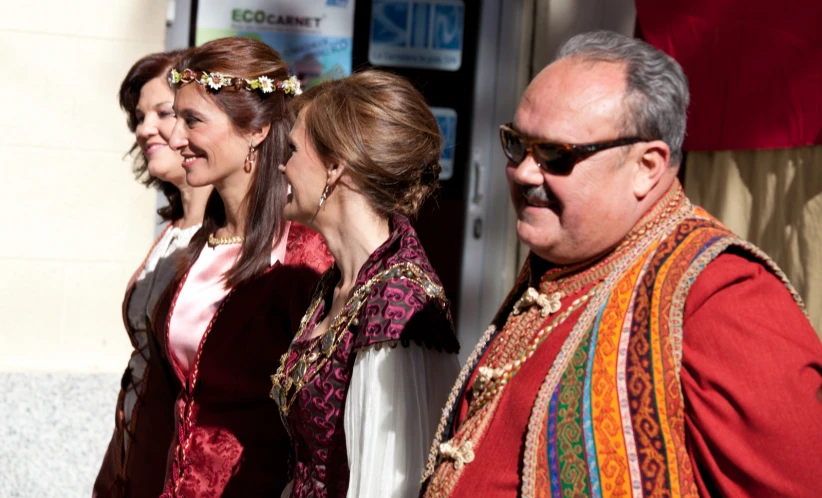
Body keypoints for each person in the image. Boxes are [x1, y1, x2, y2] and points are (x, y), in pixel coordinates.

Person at [422, 31, 822, 498]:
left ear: (648, 166)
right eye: (516, 143)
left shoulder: (720, 294)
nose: (526, 172)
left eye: (555, 154)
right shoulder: (565, 263)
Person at [156, 37, 332, 497]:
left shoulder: (303, 256)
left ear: (255, 130)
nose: (176, 139)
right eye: (176, 118)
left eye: (192, 120)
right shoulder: (201, 243)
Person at [271, 69, 460, 498]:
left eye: (293, 150)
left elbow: (393, 483)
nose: (282, 165)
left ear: (335, 167)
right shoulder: (336, 286)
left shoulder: (399, 303)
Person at [93, 50, 213, 498]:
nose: (145, 128)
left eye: (163, 113)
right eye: (139, 117)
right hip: (128, 458)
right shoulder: (172, 230)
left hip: (181, 467)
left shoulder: (235, 240)